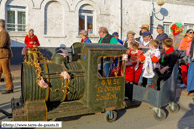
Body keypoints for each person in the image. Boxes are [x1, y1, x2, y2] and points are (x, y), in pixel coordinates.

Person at [0, 19, 14, 94]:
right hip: (1, 55)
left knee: (6, 72)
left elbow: (2, 44)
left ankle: (10, 88)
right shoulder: (1, 33)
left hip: (4, 55)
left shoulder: (4, 33)